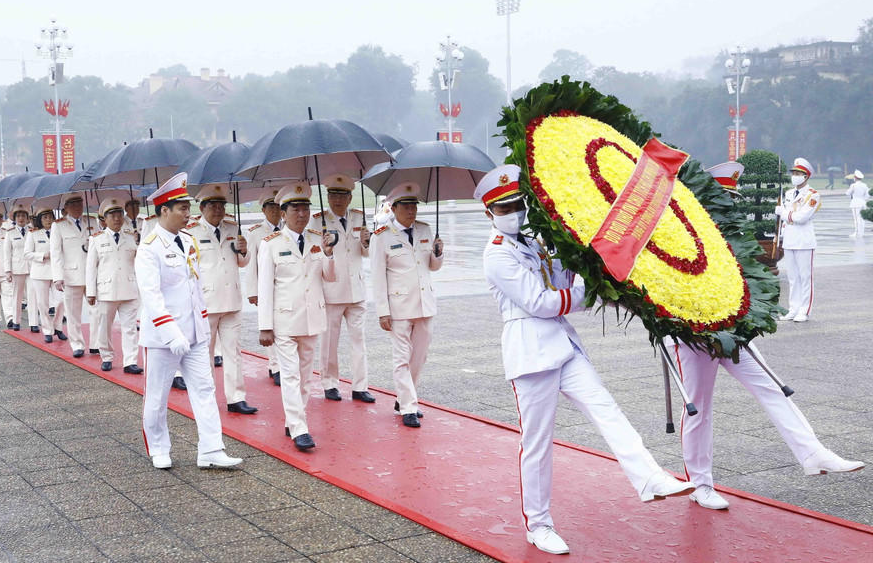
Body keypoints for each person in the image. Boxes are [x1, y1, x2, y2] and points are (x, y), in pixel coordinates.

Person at [474, 165, 694, 555]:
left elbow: (560, 278)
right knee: (538, 443)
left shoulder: (535, 242)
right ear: (488, 213)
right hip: (530, 352)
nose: (515, 213)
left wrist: (584, 262)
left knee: (607, 409)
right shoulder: (496, 256)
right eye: (504, 208)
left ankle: (649, 477)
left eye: (518, 205)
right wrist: (585, 291)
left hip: (563, 344)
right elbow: (541, 302)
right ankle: (538, 525)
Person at [665, 337, 864, 510]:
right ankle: (700, 484)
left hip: (729, 329)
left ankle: (813, 453)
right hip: (688, 337)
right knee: (698, 407)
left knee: (771, 388)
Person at [136, 173, 242, 470]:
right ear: (164, 211)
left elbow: (195, 286)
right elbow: (152, 296)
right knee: (157, 396)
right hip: (163, 337)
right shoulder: (149, 248)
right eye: (181, 208)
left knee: (205, 390)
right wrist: (172, 334)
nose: (188, 213)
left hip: (195, 332)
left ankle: (211, 449)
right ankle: (158, 447)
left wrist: (203, 326)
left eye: (188, 207)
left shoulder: (188, 240)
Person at [257, 183, 336, 451]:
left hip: (311, 318)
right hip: (284, 321)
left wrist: (328, 254)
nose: (302, 214)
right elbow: (265, 288)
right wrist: (264, 326)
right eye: (296, 209)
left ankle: (294, 420)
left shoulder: (317, 239)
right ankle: (300, 428)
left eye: (306, 209)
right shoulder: (271, 244)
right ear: (283, 213)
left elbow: (330, 277)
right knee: (290, 375)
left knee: (305, 376)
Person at [369, 182, 444, 428]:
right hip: (399, 306)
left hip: (424, 304)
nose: (411, 210)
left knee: (418, 358)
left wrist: (438, 253)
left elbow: (432, 267)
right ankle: (409, 407)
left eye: (414, 205)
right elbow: (378, 277)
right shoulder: (381, 236)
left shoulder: (425, 229)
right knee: (401, 357)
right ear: (393, 207)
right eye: (406, 205)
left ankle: (404, 398)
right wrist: (383, 311)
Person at [185, 185, 255, 414]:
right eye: (213, 206)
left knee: (233, 351)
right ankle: (205, 399)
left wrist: (244, 251)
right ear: (202, 208)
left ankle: (236, 398)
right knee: (205, 352)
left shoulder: (233, 228)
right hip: (206, 301)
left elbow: (241, 263)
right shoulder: (191, 232)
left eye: (222, 205)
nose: (218, 210)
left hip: (232, 300)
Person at [313, 174, 375, 403]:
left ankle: (360, 386)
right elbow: (313, 255)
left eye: (342, 195)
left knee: (359, 340)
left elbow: (367, 253)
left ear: (350, 198)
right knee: (330, 341)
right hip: (332, 290)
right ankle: (329, 383)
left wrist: (367, 242)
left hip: (356, 290)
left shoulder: (361, 217)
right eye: (332, 195)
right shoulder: (317, 220)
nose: (336, 200)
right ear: (327, 197)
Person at [85, 198, 143, 374]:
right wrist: (91, 291)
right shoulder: (96, 239)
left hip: (129, 289)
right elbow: (91, 268)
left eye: (119, 215)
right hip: (107, 290)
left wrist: (140, 244)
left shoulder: (131, 237)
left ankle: (130, 361)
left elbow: (140, 262)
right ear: (105, 218)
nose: (117, 218)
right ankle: (107, 356)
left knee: (130, 328)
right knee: (105, 327)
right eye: (112, 215)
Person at [51, 194, 98, 357]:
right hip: (71, 275)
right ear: (66, 208)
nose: (77, 207)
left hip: (92, 274)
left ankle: (95, 343)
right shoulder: (59, 226)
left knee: (96, 310)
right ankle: (77, 344)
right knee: (73, 313)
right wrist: (58, 276)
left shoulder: (91, 221)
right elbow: (55, 253)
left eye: (80, 203)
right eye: (73, 204)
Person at [244, 187, 282, 385]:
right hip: (265, 288)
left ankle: (276, 365)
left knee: (283, 327)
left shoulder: (287, 229)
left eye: (278, 206)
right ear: (264, 210)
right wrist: (252, 291)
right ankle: (275, 366)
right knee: (269, 326)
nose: (275, 210)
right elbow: (251, 265)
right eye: (271, 206)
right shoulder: (256, 233)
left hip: (285, 288)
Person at [775, 158, 821, 322]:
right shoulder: (788, 193)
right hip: (789, 239)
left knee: (805, 277)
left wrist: (783, 213)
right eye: (793, 173)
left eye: (798, 173)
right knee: (793, 277)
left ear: (806, 176)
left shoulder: (813, 195)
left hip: (804, 240)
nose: (794, 176)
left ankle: (805, 310)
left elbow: (801, 217)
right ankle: (793, 309)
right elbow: (787, 219)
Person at [24, 206, 66, 341]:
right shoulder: (33, 233)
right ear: (40, 220)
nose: (48, 220)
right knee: (43, 304)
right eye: (45, 217)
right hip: (40, 272)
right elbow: (27, 254)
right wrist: (42, 255)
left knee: (60, 301)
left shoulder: (59, 231)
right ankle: (47, 330)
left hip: (57, 272)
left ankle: (58, 327)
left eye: (50, 217)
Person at [3, 203, 34, 330]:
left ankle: (34, 323)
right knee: (17, 296)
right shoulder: (10, 233)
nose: (21, 218)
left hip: (32, 268)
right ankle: (16, 321)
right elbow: (7, 253)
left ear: (28, 218)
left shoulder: (33, 231)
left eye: (23, 216)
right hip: (17, 269)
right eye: (18, 216)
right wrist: (8, 271)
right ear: (14, 219)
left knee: (33, 296)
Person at [847, 170, 869, 238]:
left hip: (856, 203)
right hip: (863, 203)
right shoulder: (864, 185)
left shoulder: (853, 185)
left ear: (855, 178)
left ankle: (857, 233)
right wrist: (863, 200)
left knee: (857, 219)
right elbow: (867, 195)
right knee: (862, 219)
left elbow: (847, 193)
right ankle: (861, 232)